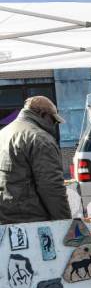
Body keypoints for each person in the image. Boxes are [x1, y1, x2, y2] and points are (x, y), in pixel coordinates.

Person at [0, 96, 71, 224]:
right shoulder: (40, 139)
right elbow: (51, 187)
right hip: (31, 219)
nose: (54, 125)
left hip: (5, 217)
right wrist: (65, 223)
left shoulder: (4, 133)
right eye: (53, 120)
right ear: (42, 114)